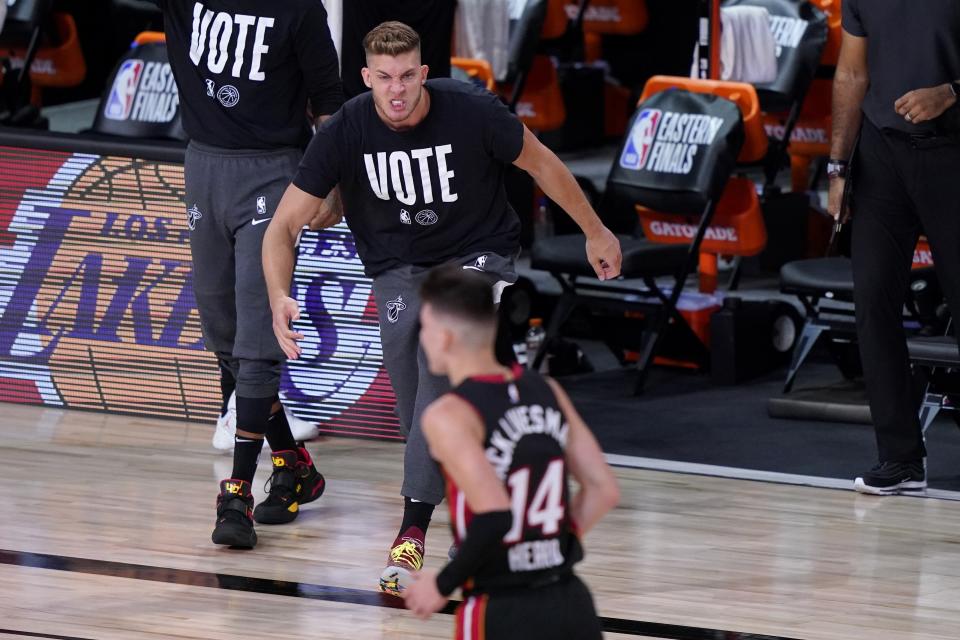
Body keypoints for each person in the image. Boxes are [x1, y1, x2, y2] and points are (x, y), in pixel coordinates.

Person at [262, 21, 622, 591]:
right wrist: (280, 295)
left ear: (424, 73)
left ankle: (411, 531)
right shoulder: (346, 129)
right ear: (367, 78)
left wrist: (596, 231)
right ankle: (478, 506)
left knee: (438, 361)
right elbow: (282, 228)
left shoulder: (473, 110)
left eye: (407, 76)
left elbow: (543, 164)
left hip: (477, 257)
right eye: (384, 78)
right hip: (398, 271)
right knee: (421, 413)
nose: (397, 89)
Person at [152, 0, 344, 547]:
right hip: (203, 167)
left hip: (274, 173)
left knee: (257, 342)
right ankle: (294, 465)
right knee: (226, 336)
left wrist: (334, 185)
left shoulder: (301, 10)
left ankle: (235, 493)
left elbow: (328, 101)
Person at [400, 265, 619, 638]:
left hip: (502, 608)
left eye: (426, 327)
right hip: (569, 600)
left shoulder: (449, 414)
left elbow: (495, 515)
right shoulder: (547, 389)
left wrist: (441, 584)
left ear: (447, 337)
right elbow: (603, 490)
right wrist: (549, 548)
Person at [828, 1, 960, 495]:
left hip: (951, 153)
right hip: (881, 155)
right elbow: (850, 73)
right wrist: (838, 167)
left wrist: (951, 92)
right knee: (874, 303)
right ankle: (901, 457)